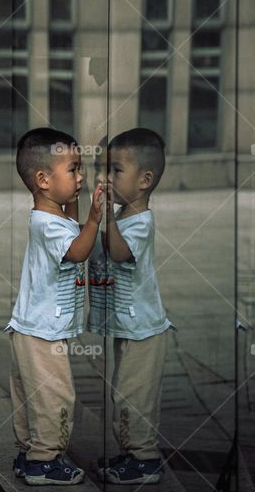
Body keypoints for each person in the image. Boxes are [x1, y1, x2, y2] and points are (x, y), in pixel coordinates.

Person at [5, 128, 103, 486]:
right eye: (74, 170)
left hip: (31, 328)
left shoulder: (51, 217)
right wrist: (94, 219)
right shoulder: (48, 226)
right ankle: (44, 461)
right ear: (43, 180)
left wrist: (77, 202)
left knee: (30, 394)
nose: (81, 178)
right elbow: (79, 249)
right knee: (55, 396)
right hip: (43, 333)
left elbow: (70, 227)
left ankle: (28, 451)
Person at [89, 128, 172, 485]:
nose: (105, 178)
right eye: (102, 169)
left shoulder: (140, 221)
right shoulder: (123, 216)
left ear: (144, 180)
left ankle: (145, 459)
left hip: (144, 329)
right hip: (129, 326)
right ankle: (130, 451)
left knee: (135, 396)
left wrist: (105, 218)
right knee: (124, 391)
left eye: (115, 170)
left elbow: (120, 253)